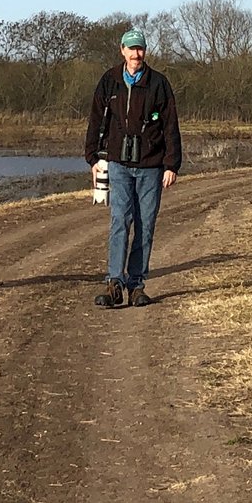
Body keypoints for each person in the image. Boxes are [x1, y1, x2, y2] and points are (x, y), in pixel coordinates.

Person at [83, 26, 181, 308]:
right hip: (118, 163)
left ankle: (136, 285)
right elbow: (95, 120)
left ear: (144, 51)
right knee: (119, 222)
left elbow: (171, 125)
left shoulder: (158, 83)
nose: (136, 54)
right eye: (132, 48)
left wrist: (171, 164)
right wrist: (92, 158)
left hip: (151, 165)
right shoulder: (109, 80)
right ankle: (114, 282)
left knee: (145, 224)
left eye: (140, 48)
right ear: (122, 50)